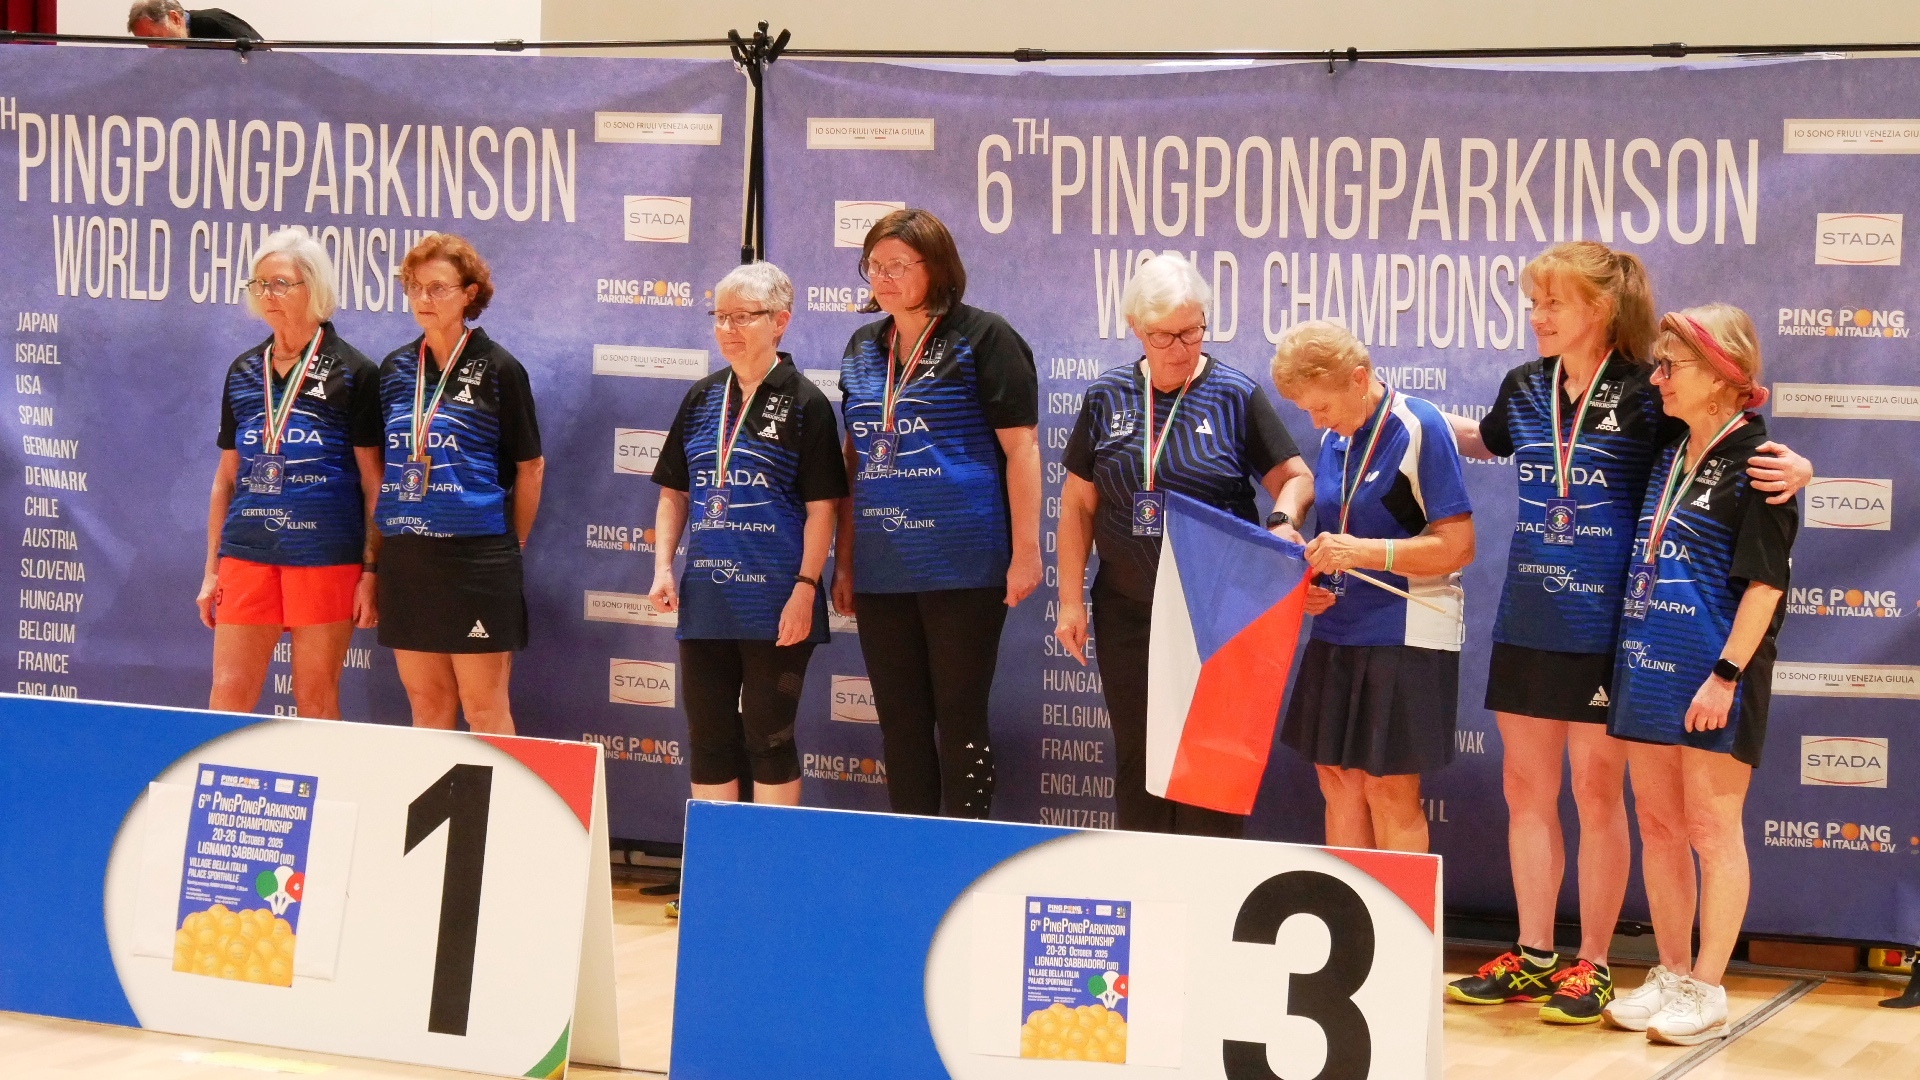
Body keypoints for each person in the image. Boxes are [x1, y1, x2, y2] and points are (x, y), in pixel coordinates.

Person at [1442, 242, 1811, 1024]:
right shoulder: (1530, 387)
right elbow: (1485, 438)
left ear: (1601, 308)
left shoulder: (1651, 394)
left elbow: (1729, 452)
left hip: (1619, 630)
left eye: (1553, 302)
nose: (1538, 316)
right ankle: (1542, 953)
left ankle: (1602, 963)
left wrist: (1800, 469)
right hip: (1538, 619)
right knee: (1543, 795)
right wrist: (1395, 412)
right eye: (1534, 302)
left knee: (1613, 799)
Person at [1053, 253, 1313, 837]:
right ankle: (1146, 881)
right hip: (1129, 610)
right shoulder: (1107, 396)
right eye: (1164, 336)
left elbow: (1296, 477)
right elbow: (1077, 506)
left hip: (1214, 614)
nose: (1181, 348)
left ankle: (1208, 884)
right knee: (1138, 756)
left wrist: (1280, 521)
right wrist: (1069, 600)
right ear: (1135, 328)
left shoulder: (1233, 393)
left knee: (1209, 766)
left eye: (1193, 331)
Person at [1601, 306, 1796, 1045]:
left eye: (1671, 367)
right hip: (1647, 665)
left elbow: (1766, 585)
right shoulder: (1671, 446)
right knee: (1659, 826)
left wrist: (1725, 674)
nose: (1657, 379)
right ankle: (1673, 971)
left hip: (1714, 673)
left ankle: (1709, 987)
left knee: (1713, 831)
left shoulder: (1761, 462)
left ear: (1720, 375)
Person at [830, 208, 1041, 819]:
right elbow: (855, 456)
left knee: (960, 717)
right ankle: (911, 850)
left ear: (937, 267)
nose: (884, 277)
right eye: (874, 265)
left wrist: (1027, 551)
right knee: (900, 722)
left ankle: (965, 851)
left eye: (899, 265)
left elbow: (1022, 449)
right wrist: (845, 561)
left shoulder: (985, 337)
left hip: (963, 561)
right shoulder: (862, 348)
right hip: (883, 566)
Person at [1270, 320, 1474, 855]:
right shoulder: (1335, 437)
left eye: (1321, 407)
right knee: (1336, 779)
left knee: (1389, 790)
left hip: (1406, 627)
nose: (1315, 421)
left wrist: (1361, 553)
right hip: (1338, 626)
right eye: (1307, 410)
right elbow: (1336, 531)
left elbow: (1458, 546)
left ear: (1359, 378)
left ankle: (1399, 912)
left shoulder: (1418, 426)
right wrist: (1313, 581)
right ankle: (1351, 907)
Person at [649, 262, 846, 809]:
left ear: (780, 321)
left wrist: (806, 588)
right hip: (707, 599)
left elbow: (823, 508)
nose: (728, 329)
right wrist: (663, 568)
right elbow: (674, 494)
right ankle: (718, 860)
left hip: (775, 599)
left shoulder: (806, 402)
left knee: (769, 735)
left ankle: (772, 859)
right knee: (708, 737)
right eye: (720, 316)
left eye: (743, 317)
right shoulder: (701, 397)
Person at [198, 227, 380, 719]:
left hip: (323, 554)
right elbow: (225, 479)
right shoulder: (243, 370)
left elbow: (374, 484)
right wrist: (212, 569)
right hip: (247, 554)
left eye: (280, 283)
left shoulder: (355, 372)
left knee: (315, 697)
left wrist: (370, 571)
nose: (267, 294)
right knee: (228, 695)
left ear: (314, 287)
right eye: (259, 284)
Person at [374, 234, 544, 735]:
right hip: (408, 558)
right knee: (427, 704)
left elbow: (531, 467)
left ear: (469, 293)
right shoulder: (394, 369)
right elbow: (381, 467)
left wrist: (514, 544)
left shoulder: (499, 368)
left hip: (477, 558)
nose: (423, 299)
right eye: (415, 287)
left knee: (484, 709)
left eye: (438, 288)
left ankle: (502, 793)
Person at [127, 1, 262, 39]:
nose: (152, 47)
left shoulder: (214, 23)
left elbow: (264, 58)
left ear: (175, 18)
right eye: (146, 42)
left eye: (155, 38)